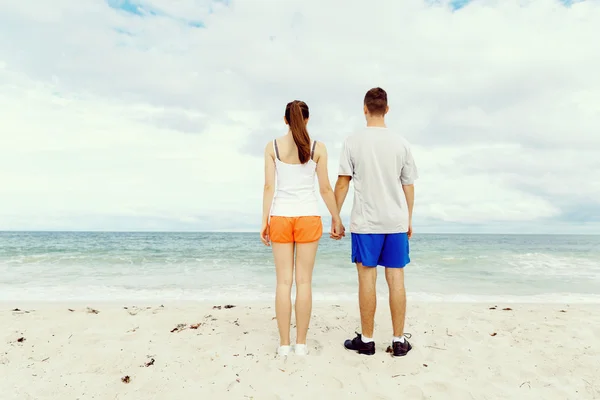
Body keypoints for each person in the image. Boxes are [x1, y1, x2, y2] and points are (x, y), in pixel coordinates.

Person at [333, 87, 418, 357]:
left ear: (365, 109)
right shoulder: (401, 143)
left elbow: (343, 183)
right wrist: (409, 219)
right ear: (387, 109)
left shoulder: (352, 142)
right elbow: (408, 185)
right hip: (395, 221)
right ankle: (398, 341)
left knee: (366, 280)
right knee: (396, 280)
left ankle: (367, 340)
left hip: (366, 223)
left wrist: (335, 217)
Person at [261, 100, 344, 357]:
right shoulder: (318, 148)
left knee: (283, 283)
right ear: (306, 120)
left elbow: (268, 188)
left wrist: (264, 220)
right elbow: (325, 189)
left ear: (285, 120)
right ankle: (301, 345)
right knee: (304, 282)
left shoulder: (273, 146)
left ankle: (284, 345)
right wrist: (337, 218)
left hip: (281, 217)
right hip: (308, 216)